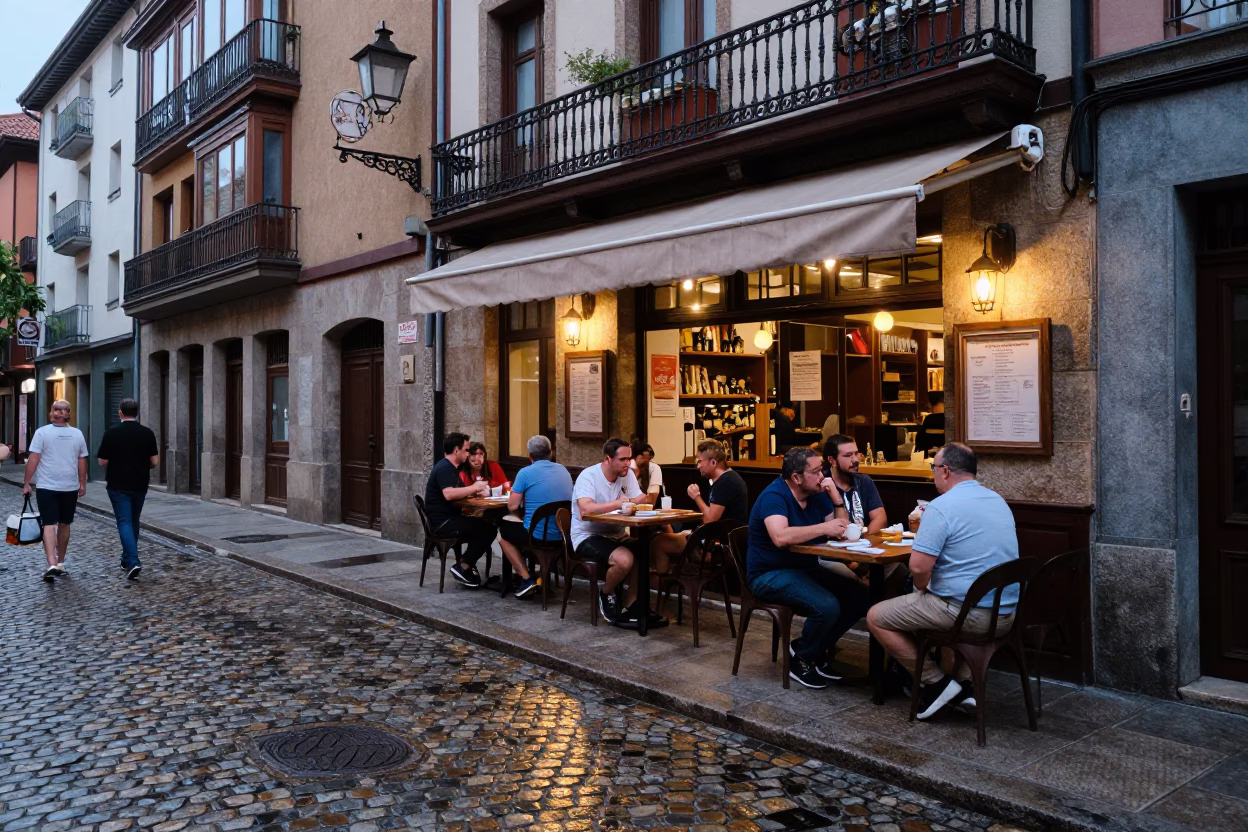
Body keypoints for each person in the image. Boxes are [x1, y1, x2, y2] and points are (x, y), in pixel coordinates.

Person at [866, 442, 1020, 720]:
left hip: (969, 615)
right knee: (950, 600)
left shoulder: (941, 507)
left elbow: (918, 568)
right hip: (1006, 612)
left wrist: (922, 588)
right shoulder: (997, 500)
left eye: (933, 468)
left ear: (945, 471)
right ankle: (965, 686)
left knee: (877, 616)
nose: (933, 474)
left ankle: (937, 684)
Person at [746, 447, 870, 688]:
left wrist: (835, 498)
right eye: (815, 471)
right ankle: (802, 660)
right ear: (796, 478)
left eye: (821, 469)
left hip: (804, 569)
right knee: (827, 605)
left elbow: (840, 528)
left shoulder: (817, 492)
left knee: (859, 596)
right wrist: (825, 529)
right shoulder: (775, 496)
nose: (822, 475)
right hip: (768, 574)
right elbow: (780, 536)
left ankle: (812, 649)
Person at [571, 437, 659, 628]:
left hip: (616, 533)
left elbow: (639, 498)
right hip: (587, 535)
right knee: (625, 559)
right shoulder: (589, 476)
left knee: (644, 551)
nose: (628, 463)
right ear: (608, 459)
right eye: (623, 460)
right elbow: (585, 510)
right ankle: (606, 592)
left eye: (629, 459)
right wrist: (619, 503)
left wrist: (640, 499)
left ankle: (632, 603)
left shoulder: (626, 474)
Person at [650, 438, 750, 573]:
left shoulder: (725, 483)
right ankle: (678, 582)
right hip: (727, 542)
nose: (698, 466)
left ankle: (662, 588)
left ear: (713, 462)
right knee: (671, 536)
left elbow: (710, 520)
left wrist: (696, 497)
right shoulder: (730, 478)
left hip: (720, 548)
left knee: (659, 542)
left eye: (700, 461)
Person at [23, 399, 89, 582]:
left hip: (48, 486)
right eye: (56, 409)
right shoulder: (77, 434)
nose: (57, 412)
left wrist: (26, 482)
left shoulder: (42, 432)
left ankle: (52, 563)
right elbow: (82, 460)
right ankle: (59, 562)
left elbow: (34, 459)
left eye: (58, 410)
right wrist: (82, 483)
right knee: (64, 524)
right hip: (67, 486)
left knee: (49, 524)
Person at [500, 435, 573, 599]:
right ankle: (539, 577)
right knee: (521, 526)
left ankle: (527, 579)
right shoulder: (563, 470)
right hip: (562, 534)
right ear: (551, 453)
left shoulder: (525, 473)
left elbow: (512, 506)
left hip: (537, 536)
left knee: (503, 533)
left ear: (529, 456)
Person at [423, 432, 497, 588]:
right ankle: (464, 565)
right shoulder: (444, 468)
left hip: (448, 519)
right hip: (443, 523)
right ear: (456, 451)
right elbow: (449, 494)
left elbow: (460, 491)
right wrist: (474, 487)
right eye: (466, 450)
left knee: (485, 525)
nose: (468, 453)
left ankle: (465, 564)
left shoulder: (450, 468)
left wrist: (475, 491)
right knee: (488, 529)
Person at [96, 398, 159, 580]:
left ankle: (133, 560)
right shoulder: (147, 433)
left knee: (124, 522)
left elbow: (102, 461)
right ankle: (126, 558)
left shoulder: (112, 433)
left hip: (118, 483)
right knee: (133, 521)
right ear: (136, 412)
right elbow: (154, 461)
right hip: (140, 483)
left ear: (120, 413)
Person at [822, 434, 887, 534]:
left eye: (856, 454)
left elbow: (880, 518)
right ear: (832, 460)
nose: (856, 460)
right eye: (848, 455)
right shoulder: (823, 484)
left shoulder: (864, 481)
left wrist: (863, 542)